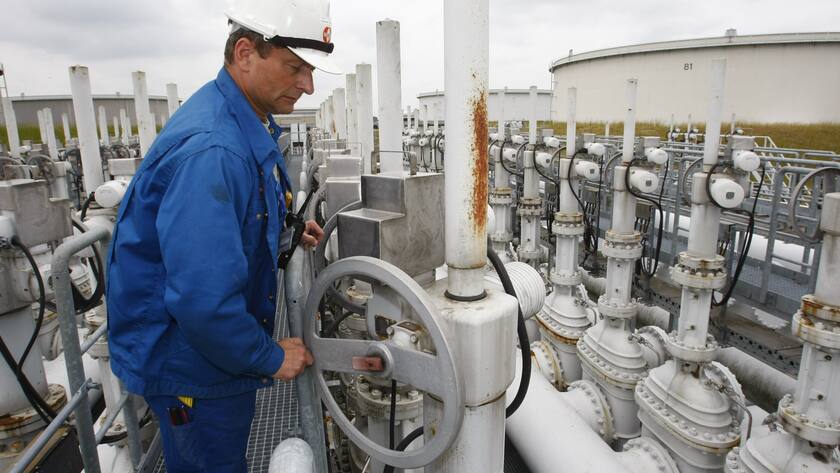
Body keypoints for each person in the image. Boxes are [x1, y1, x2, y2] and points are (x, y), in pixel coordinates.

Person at [106, 1, 339, 471]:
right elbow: (201, 299)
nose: (308, 85)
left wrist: (289, 235)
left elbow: (242, 212)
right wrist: (268, 355)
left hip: (203, 348)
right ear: (245, 52)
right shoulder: (214, 149)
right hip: (189, 362)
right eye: (295, 67)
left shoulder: (243, 119)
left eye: (311, 70)